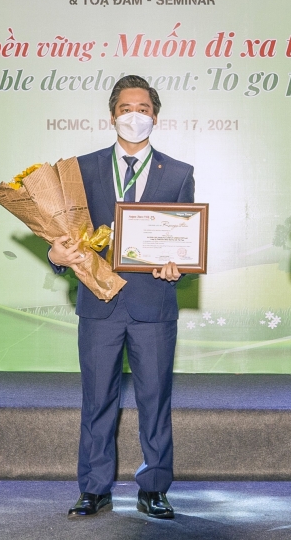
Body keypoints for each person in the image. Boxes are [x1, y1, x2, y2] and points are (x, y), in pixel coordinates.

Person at [48, 75, 194, 520]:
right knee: (97, 400)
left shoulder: (180, 173)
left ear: (156, 116)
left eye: (143, 109)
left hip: (154, 305)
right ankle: (94, 488)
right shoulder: (81, 168)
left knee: (155, 400)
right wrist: (56, 254)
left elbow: (183, 240)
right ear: (112, 116)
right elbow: (63, 231)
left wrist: (179, 266)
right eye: (127, 109)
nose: (135, 116)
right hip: (99, 304)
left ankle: (155, 487)